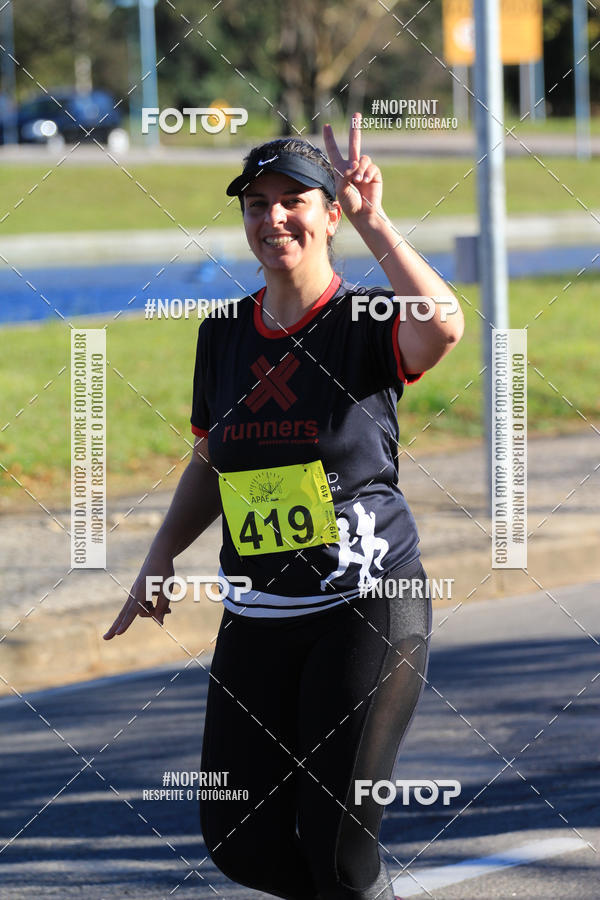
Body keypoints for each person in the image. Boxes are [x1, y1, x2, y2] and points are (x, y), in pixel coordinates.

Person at [104, 113, 464, 900]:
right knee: (239, 841)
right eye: (255, 204)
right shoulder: (225, 334)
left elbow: (443, 326)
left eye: (293, 200)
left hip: (366, 606)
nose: (273, 219)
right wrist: (162, 550)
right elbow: (212, 457)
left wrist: (377, 223)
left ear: (329, 214)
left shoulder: (364, 319)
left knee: (337, 849)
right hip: (259, 612)